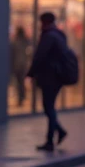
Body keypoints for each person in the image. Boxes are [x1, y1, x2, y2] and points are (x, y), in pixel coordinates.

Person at [26, 12, 69, 151]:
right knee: (49, 106)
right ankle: (58, 132)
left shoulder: (48, 36)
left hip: (50, 76)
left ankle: (50, 140)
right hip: (58, 76)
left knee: (48, 107)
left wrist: (30, 73)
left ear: (44, 22)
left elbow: (40, 56)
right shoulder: (59, 34)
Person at [10, 27, 32, 106]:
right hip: (24, 65)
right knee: (21, 82)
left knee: (18, 83)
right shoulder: (26, 41)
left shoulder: (15, 42)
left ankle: (21, 98)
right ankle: (22, 97)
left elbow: (12, 54)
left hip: (16, 65)